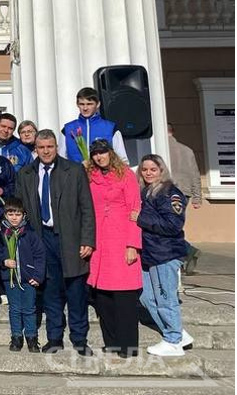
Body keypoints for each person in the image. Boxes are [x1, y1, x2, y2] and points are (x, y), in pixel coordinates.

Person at [14, 129, 95, 355]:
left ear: (56, 147)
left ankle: (79, 339)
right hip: (42, 239)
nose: (46, 151)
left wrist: (87, 239)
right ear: (36, 149)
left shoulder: (74, 170)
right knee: (50, 292)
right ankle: (54, 338)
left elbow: (87, 208)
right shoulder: (26, 173)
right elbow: (19, 210)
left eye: (50, 147)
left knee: (76, 292)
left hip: (71, 238)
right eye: (41, 147)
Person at [85, 139, 142, 358]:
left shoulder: (126, 175)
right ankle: (112, 342)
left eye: (102, 152)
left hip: (121, 238)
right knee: (103, 296)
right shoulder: (91, 176)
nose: (99, 157)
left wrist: (132, 245)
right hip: (100, 240)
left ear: (111, 152)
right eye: (95, 154)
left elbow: (134, 209)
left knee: (124, 295)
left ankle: (128, 345)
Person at [136, 154, 194, 357]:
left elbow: (173, 225)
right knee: (146, 297)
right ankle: (179, 334)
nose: (148, 173)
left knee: (165, 298)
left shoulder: (170, 193)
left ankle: (173, 340)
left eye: (153, 169)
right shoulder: (147, 192)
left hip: (165, 254)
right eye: (145, 169)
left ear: (162, 170)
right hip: (150, 254)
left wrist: (140, 218)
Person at [0, 197, 44, 353]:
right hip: (10, 278)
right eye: (11, 214)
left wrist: (38, 275)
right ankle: (16, 337)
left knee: (29, 308)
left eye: (18, 214)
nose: (14, 217)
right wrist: (4, 261)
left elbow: (40, 255)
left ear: (24, 215)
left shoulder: (30, 234)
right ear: (5, 215)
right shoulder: (1, 234)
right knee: (15, 308)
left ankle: (32, 337)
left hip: (28, 278)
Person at [167, 123, 203, 275]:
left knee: (167, 228)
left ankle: (186, 252)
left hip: (168, 193)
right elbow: (195, 174)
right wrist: (197, 197)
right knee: (174, 226)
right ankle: (184, 253)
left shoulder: (160, 147)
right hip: (184, 193)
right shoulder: (187, 150)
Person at [60, 87, 128, 164]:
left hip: (104, 175)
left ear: (98, 104)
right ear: (77, 104)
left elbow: (122, 160)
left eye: (89, 104)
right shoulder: (67, 129)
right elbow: (61, 160)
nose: (85, 108)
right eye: (82, 104)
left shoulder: (110, 128)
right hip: (76, 175)